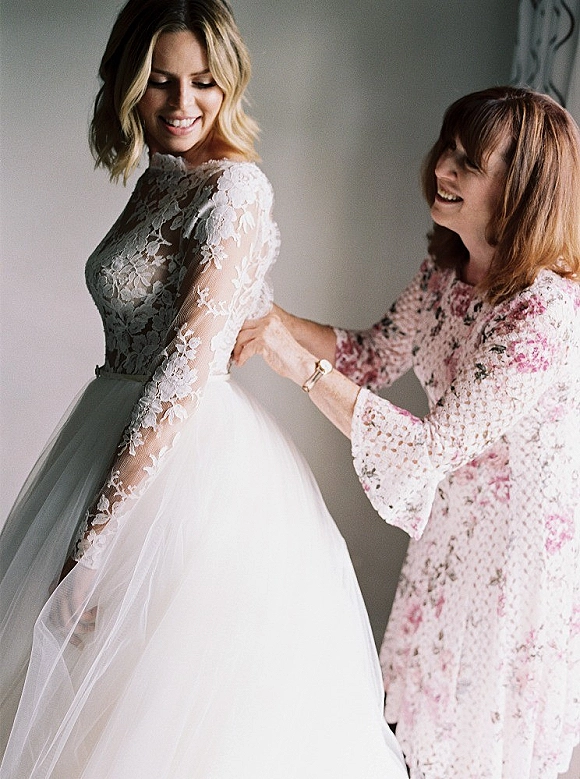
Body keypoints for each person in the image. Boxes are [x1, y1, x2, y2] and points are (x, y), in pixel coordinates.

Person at [0, 1, 409, 777]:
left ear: (230, 85)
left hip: (182, 464)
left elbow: (185, 369)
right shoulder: (161, 177)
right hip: (109, 429)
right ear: (127, 82)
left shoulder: (235, 190)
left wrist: (96, 539)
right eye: (161, 81)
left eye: (203, 83)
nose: (182, 104)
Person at [233, 85, 580, 779]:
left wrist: (291, 359)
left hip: (518, 568)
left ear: (521, 189)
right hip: (449, 544)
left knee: (480, 749)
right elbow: (370, 356)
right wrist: (263, 314)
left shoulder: (543, 311)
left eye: (469, 161)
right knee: (414, 741)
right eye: (448, 148)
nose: (442, 168)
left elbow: (427, 450)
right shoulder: (446, 271)